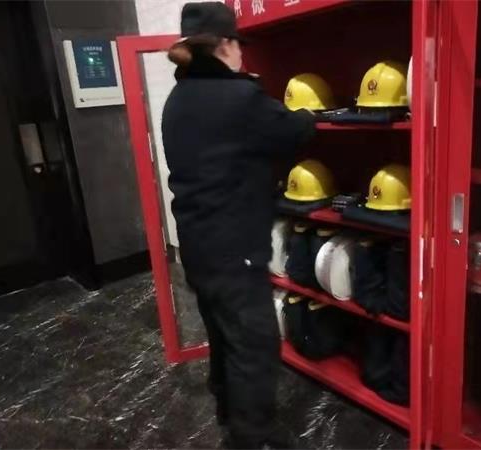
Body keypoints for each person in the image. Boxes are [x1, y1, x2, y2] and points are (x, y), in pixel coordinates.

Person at [162, 2, 315, 448]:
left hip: (197, 248)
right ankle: (252, 437)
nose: (242, 53)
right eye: (238, 44)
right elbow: (295, 133)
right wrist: (308, 114)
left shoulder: (177, 100)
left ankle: (228, 411)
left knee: (222, 334)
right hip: (235, 253)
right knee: (255, 346)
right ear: (224, 46)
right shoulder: (239, 98)